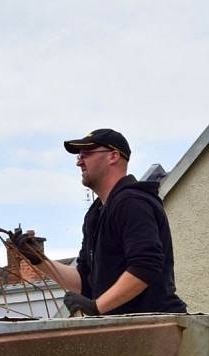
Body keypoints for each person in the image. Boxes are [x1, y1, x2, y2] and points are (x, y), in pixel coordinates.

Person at [10, 128, 186, 316]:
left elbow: (145, 266)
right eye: (78, 156)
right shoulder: (95, 215)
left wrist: (97, 306)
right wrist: (38, 259)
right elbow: (83, 282)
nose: (79, 162)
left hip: (156, 326)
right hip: (125, 329)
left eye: (87, 153)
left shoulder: (132, 203)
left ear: (113, 156)